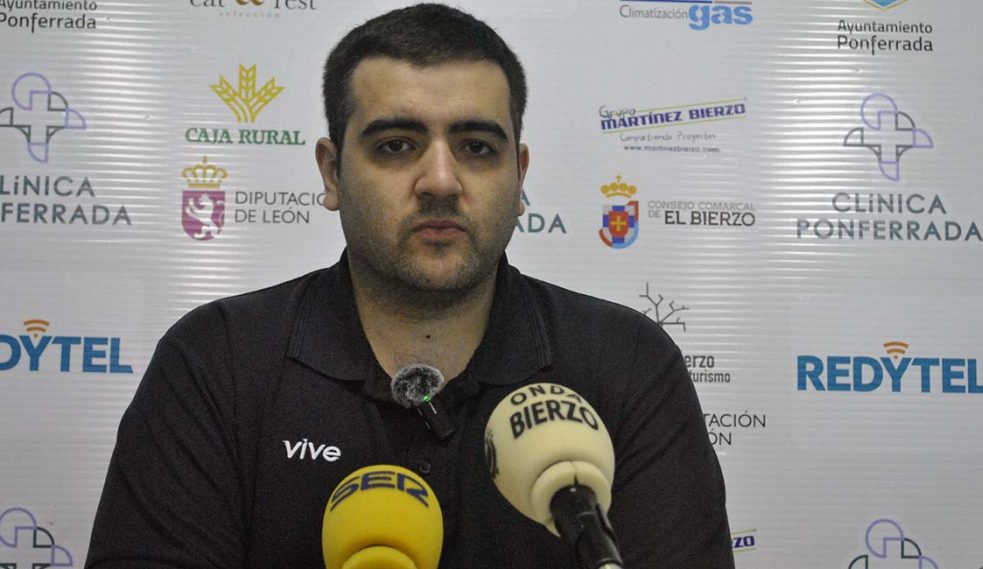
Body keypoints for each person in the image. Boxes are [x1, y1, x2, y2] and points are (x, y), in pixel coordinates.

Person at [85, 4, 734, 568]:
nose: (441, 181)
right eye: (397, 145)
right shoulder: (216, 360)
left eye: (477, 147)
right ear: (332, 172)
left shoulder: (627, 364)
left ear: (519, 174)